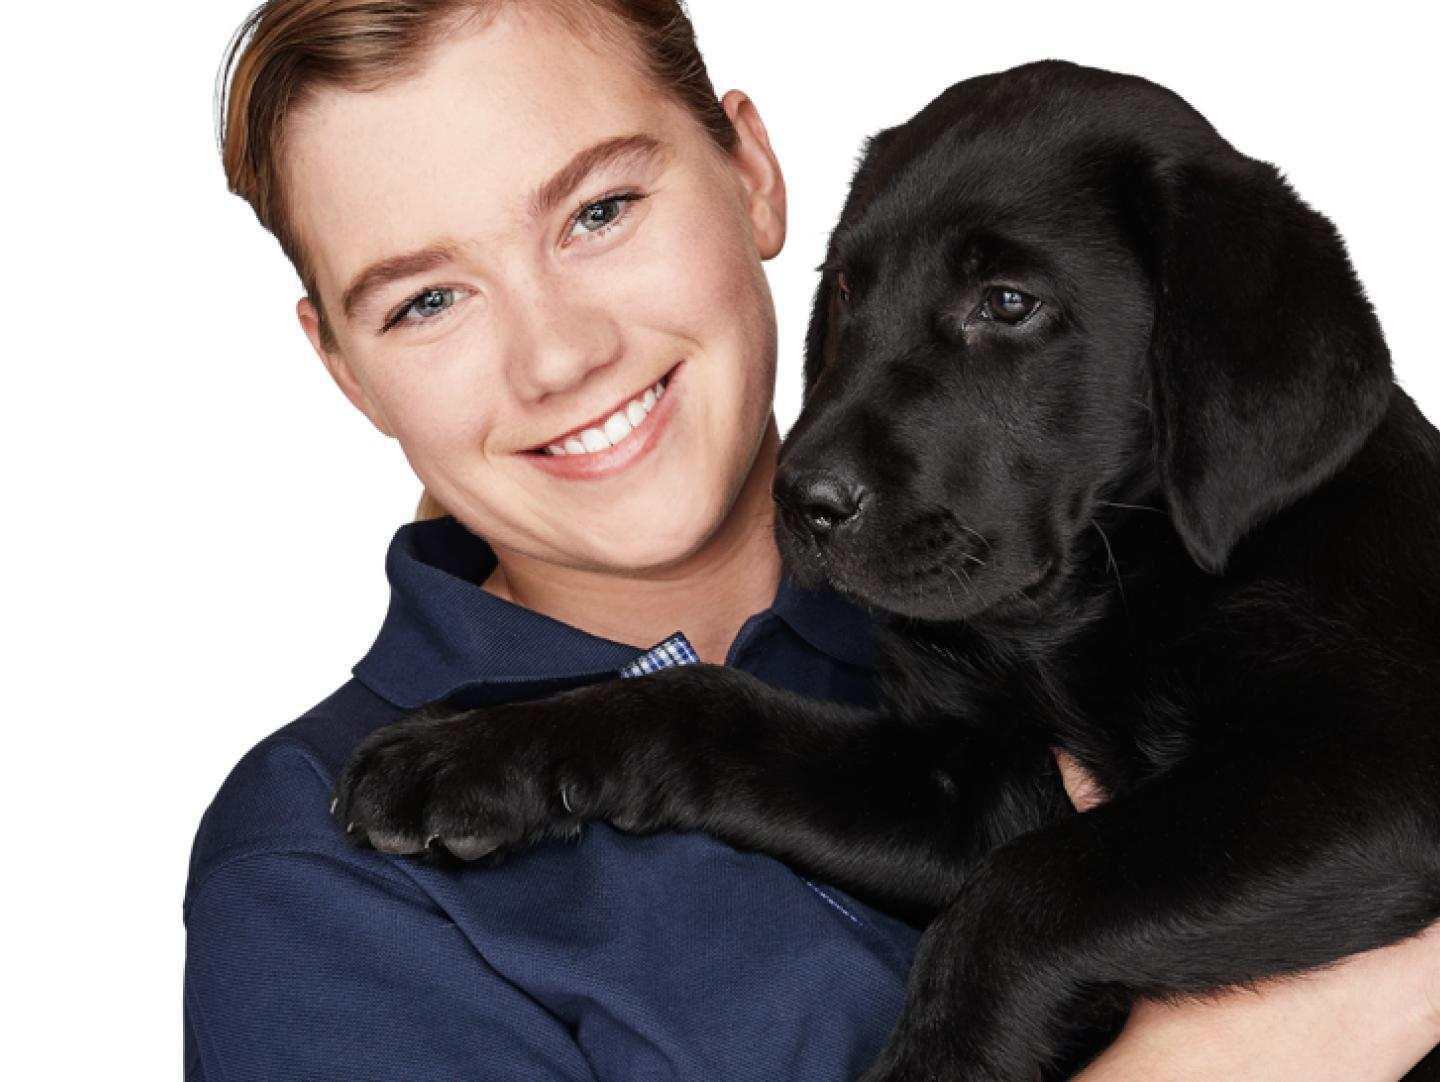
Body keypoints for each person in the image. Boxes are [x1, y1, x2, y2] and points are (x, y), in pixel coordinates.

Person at [186, 1, 1440, 1078]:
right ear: (342, 367)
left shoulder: (1038, 590)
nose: (558, 352)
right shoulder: (318, 874)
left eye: (602, 210)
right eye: (427, 299)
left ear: (753, 172)